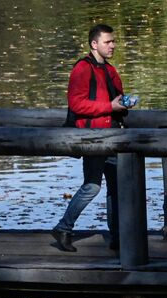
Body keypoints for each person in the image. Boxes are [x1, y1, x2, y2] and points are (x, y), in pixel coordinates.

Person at [51, 24, 129, 254]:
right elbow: (76, 104)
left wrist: (123, 105)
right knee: (92, 186)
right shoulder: (82, 69)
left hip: (114, 136)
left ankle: (118, 237)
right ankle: (64, 227)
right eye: (108, 42)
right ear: (94, 44)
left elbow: (117, 100)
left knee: (116, 188)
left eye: (113, 41)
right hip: (93, 138)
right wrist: (109, 106)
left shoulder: (111, 70)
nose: (112, 45)